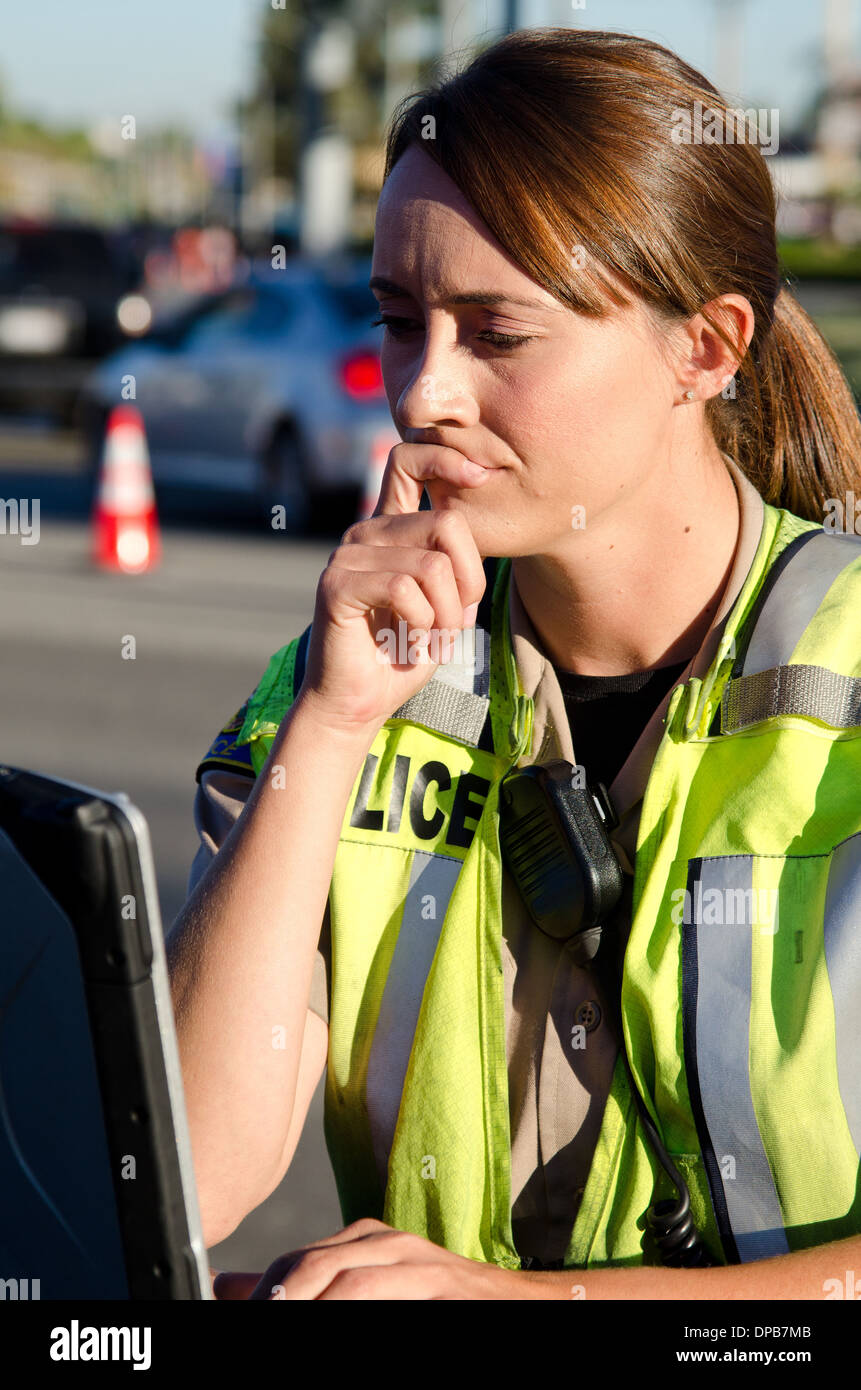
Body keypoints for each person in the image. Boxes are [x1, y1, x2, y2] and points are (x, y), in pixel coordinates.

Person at [166, 27, 861, 1300]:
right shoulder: (339, 683)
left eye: (498, 332)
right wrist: (326, 730)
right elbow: (188, 1173)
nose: (423, 392)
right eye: (399, 320)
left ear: (704, 348)